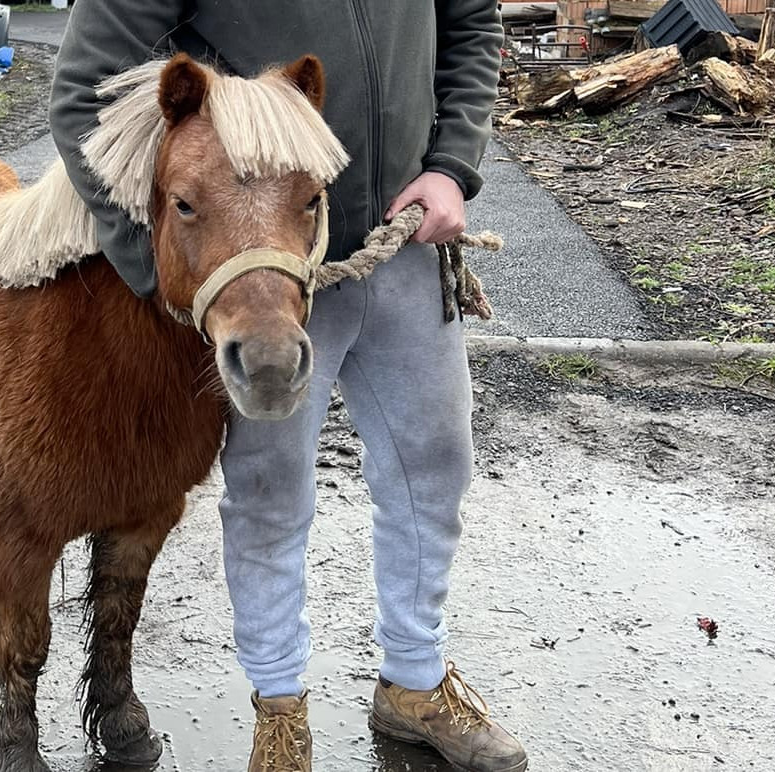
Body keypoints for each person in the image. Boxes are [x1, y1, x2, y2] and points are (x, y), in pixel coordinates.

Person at [49, 3, 527, 771]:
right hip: (261, 272)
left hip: (405, 242)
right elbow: (81, 94)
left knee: (434, 469)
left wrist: (450, 164)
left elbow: (470, 24)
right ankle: (279, 706)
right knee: (269, 490)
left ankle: (414, 681)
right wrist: (173, 277)